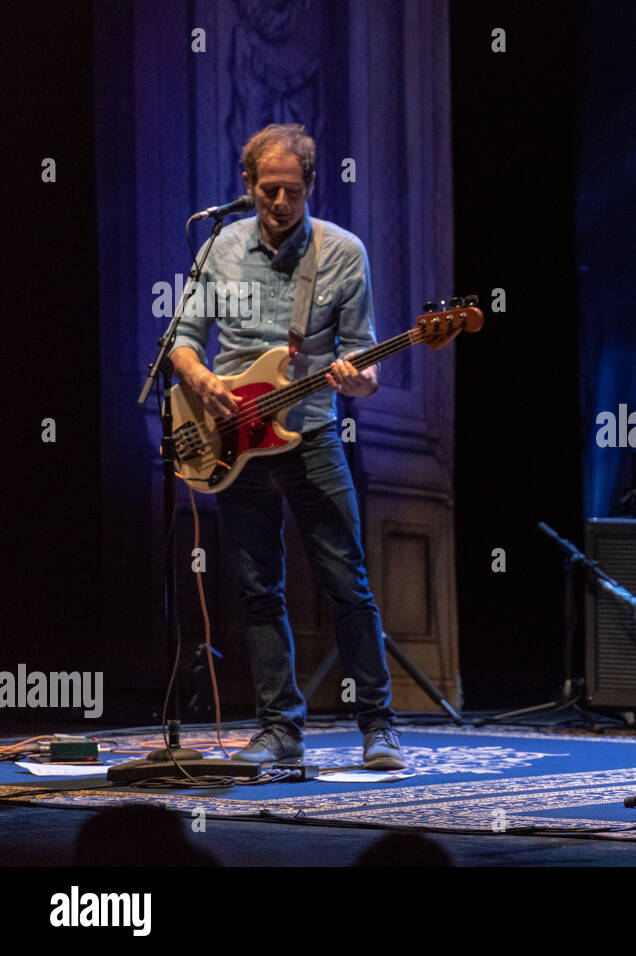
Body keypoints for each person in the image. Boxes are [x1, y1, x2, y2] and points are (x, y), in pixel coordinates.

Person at [170, 123, 404, 770]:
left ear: (310, 186)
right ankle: (279, 728)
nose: (279, 202)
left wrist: (359, 378)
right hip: (230, 439)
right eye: (268, 189)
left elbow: (366, 360)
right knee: (257, 588)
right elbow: (183, 337)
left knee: (347, 585)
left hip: (312, 435)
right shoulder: (220, 246)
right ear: (246, 186)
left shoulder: (342, 252)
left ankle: (378, 725)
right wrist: (203, 380)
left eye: (292, 191)